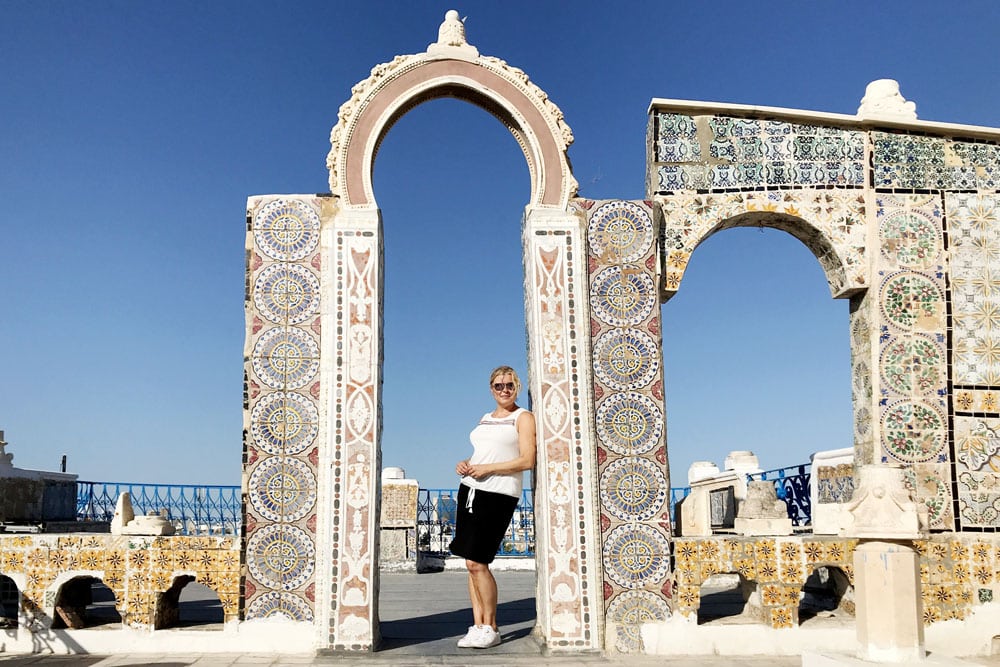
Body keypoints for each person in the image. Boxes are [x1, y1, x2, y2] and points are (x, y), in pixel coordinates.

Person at [449, 365, 536, 649]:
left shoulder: (523, 418)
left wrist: (489, 469)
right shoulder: (485, 418)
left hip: (498, 494)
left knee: (479, 561)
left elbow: (527, 460)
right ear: (491, 389)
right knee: (470, 564)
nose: (504, 390)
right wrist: (466, 464)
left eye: (509, 385)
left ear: (517, 387)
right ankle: (478, 624)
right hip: (470, 490)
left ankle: (492, 626)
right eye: (499, 386)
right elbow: (482, 453)